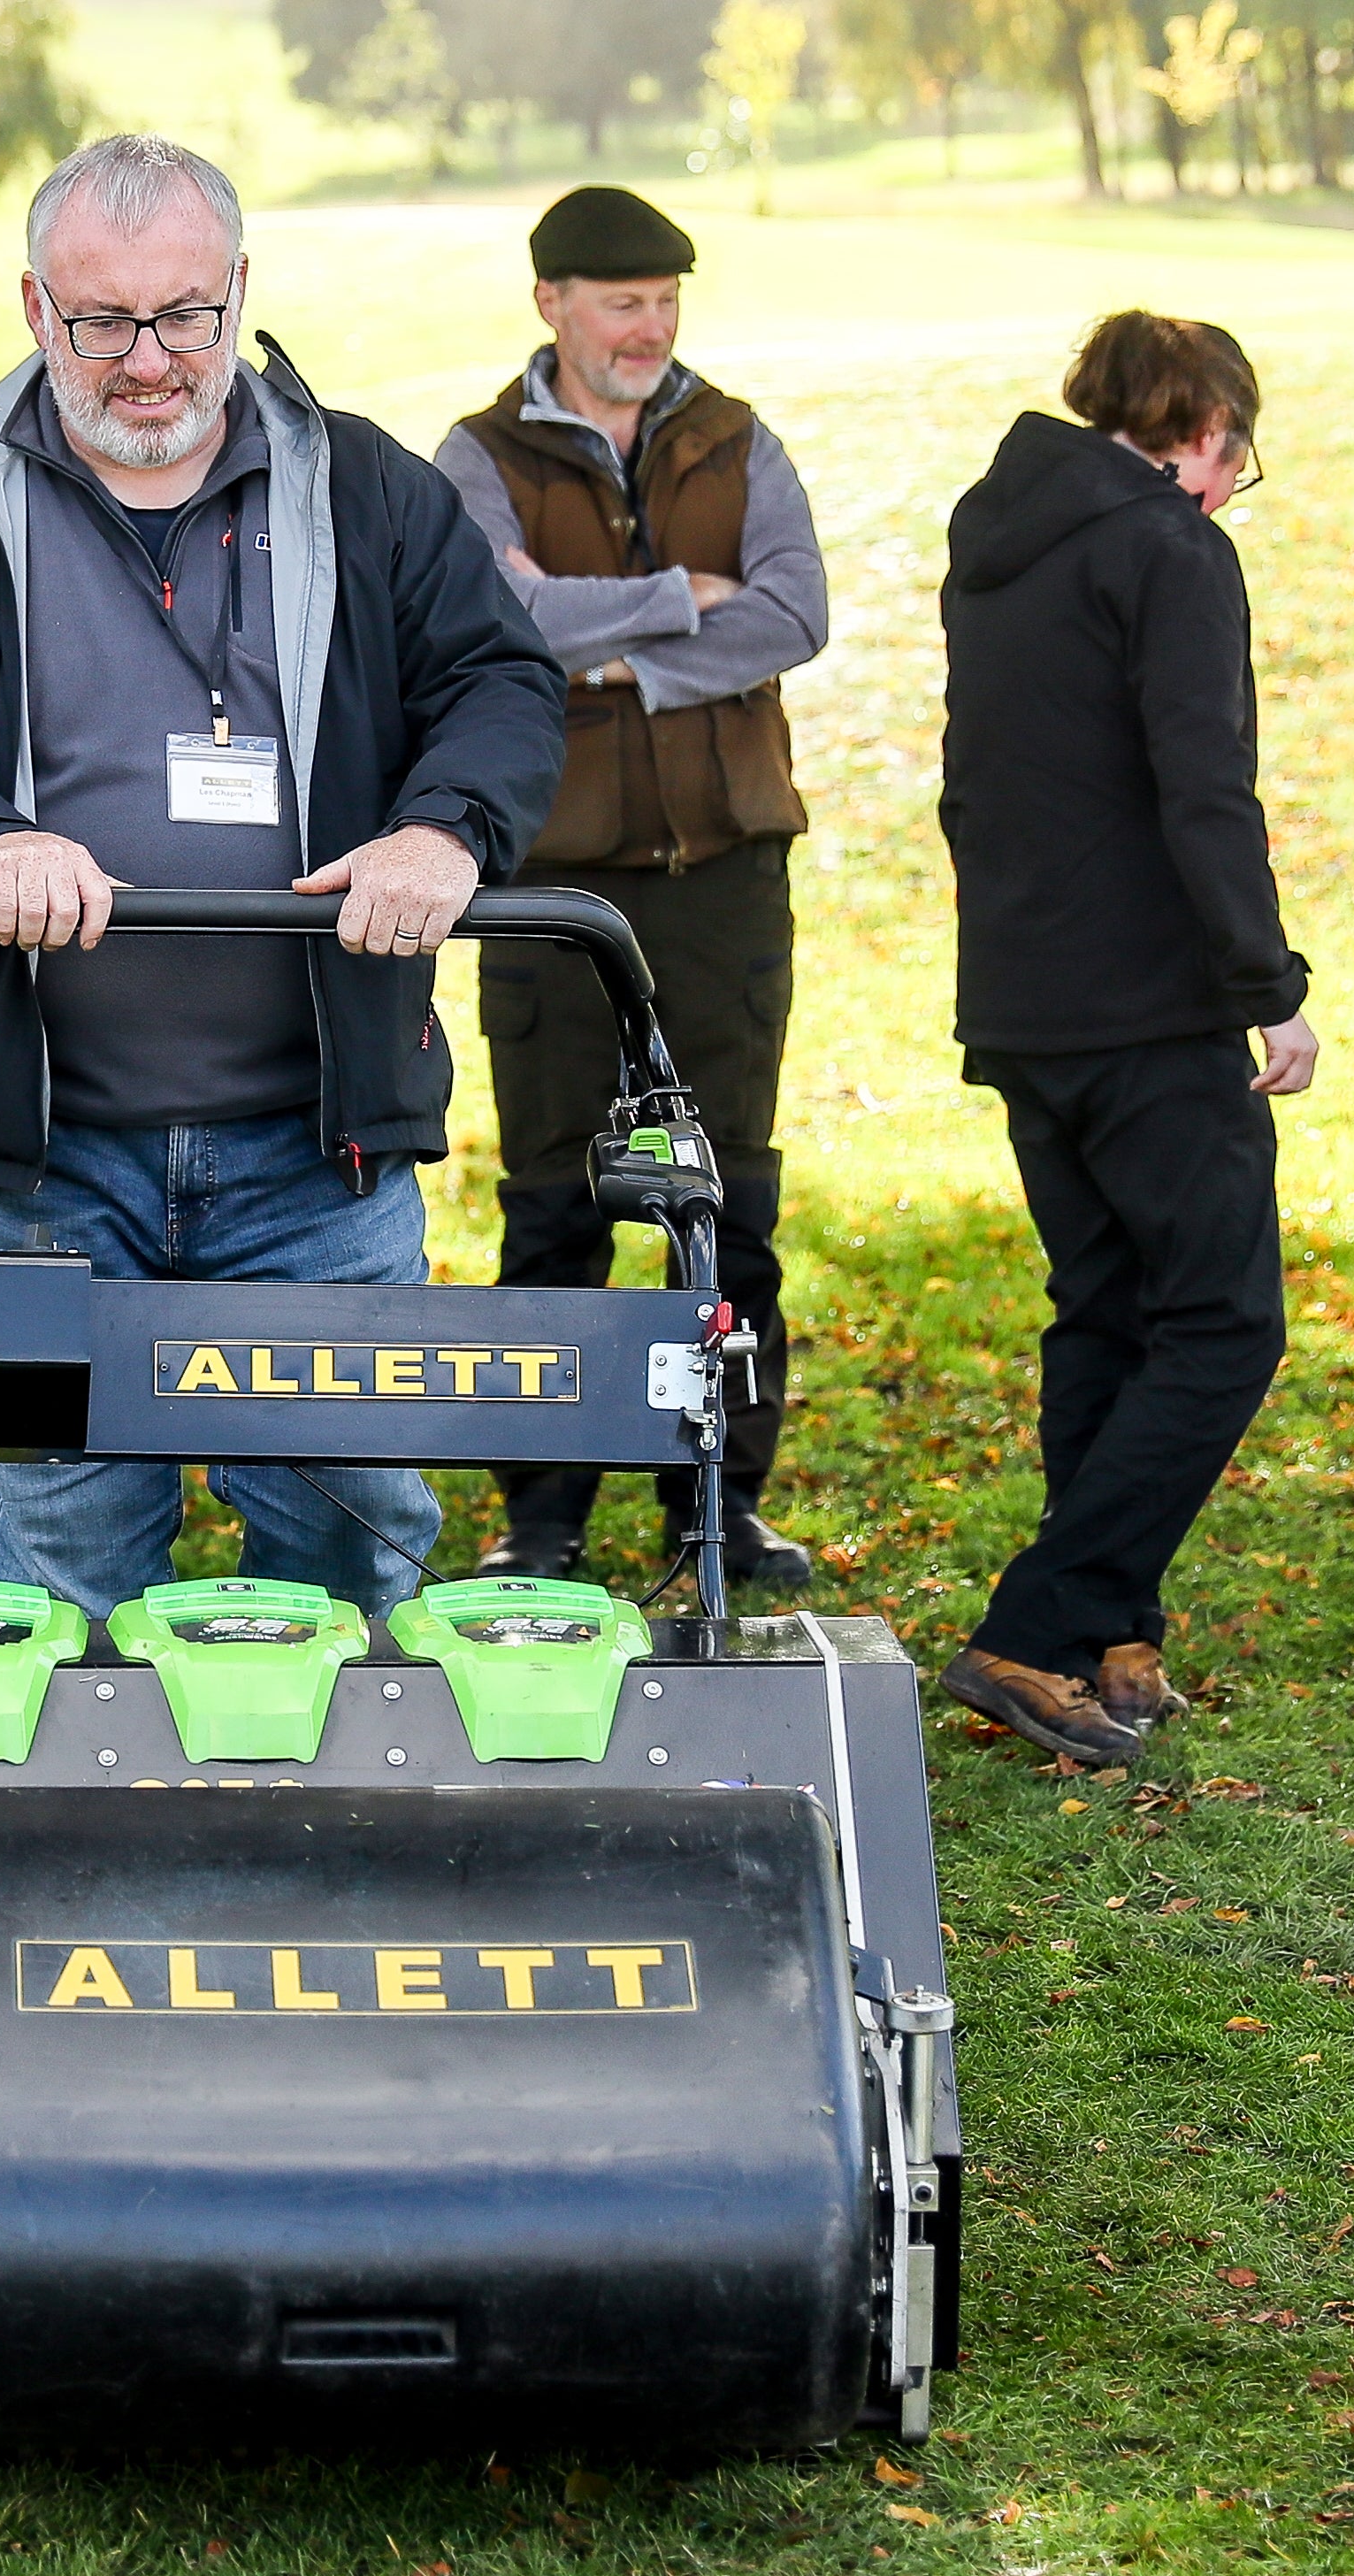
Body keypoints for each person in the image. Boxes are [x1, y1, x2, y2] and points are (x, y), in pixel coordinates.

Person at [0, 134, 566, 1623]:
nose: (147, 361)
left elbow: (501, 682)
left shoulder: (362, 489)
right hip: (43, 1162)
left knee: (351, 1550)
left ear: (238, 292)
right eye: (102, 321)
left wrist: (442, 830)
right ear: (33, 309)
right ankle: (89, 1788)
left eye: (185, 315)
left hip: (315, 1157)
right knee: (63, 1568)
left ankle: (323, 1786)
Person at [430, 186, 829, 1592]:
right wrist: (677, 598)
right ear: (551, 304)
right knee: (554, 1210)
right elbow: (501, 615)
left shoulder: (737, 438)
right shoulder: (478, 456)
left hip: (723, 882)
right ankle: (540, 1517)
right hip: (550, 893)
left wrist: (603, 655)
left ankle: (715, 1501)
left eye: (663, 301)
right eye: (619, 303)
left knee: (727, 1208)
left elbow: (794, 613)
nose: (647, 328)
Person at [933, 311, 1319, 1765]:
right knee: (1223, 1320)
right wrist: (1265, 983)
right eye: (1235, 462)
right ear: (1205, 429)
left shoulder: (999, 543)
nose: (1228, 492)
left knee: (1107, 1310)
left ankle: (1108, 1632)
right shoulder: (1169, 548)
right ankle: (1037, 1626)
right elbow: (1201, 784)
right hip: (1147, 1005)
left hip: (1023, 994)